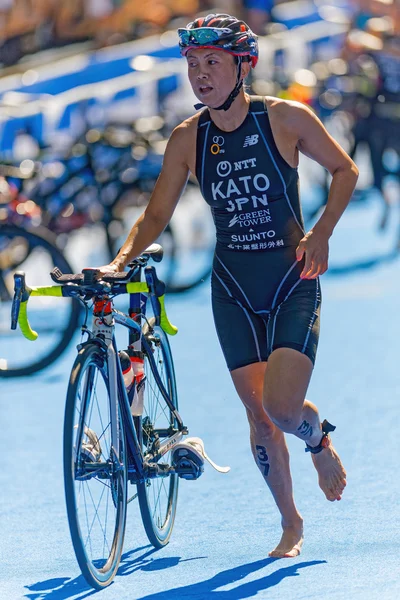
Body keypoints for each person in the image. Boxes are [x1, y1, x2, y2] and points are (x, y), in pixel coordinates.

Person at [98, 13, 358, 558]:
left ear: (243, 65)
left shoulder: (285, 119)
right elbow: (154, 216)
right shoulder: (187, 139)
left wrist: (322, 233)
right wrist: (120, 260)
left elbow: (345, 170)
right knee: (260, 417)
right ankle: (290, 523)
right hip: (233, 289)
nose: (200, 75)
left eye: (212, 62)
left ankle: (318, 438)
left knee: (285, 411)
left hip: (292, 279)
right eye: (192, 65)